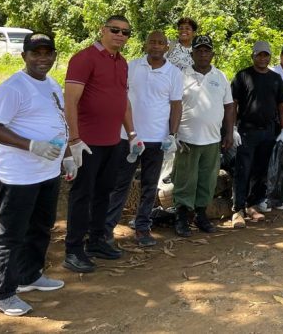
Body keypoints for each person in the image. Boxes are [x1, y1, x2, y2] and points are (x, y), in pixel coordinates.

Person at [0, 33, 73, 316]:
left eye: (48, 53)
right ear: (24, 56)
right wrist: (31, 145)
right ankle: (4, 293)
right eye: (36, 53)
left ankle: (29, 276)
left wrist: (67, 156)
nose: (43, 58)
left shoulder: (51, 84)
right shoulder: (13, 88)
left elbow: (59, 120)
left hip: (46, 172)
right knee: (12, 235)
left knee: (41, 227)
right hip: (19, 175)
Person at [62, 15, 136, 273]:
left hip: (113, 141)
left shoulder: (122, 63)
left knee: (104, 193)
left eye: (126, 32)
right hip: (87, 142)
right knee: (82, 196)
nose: (120, 35)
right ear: (102, 30)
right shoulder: (84, 58)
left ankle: (96, 241)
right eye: (115, 30)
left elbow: (122, 100)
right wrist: (74, 139)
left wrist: (132, 133)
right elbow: (69, 101)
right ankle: (73, 250)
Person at [104, 31, 182, 247]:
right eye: (152, 42)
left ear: (167, 47)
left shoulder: (174, 73)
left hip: (157, 140)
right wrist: (125, 131)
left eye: (160, 43)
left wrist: (172, 135)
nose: (156, 46)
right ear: (146, 45)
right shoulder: (132, 67)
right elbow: (119, 97)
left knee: (149, 186)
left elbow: (176, 104)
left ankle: (142, 228)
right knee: (120, 184)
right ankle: (106, 229)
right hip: (128, 138)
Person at [173, 35, 235, 237]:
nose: (203, 53)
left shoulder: (220, 77)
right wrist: (172, 134)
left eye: (206, 50)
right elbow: (173, 105)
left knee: (207, 181)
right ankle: (182, 217)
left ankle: (201, 215)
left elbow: (229, 107)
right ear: (192, 54)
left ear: (212, 54)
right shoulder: (181, 76)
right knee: (185, 180)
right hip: (187, 138)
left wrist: (229, 132)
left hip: (213, 139)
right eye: (199, 50)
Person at [232, 41, 283, 226]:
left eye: (266, 55)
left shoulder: (275, 78)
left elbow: (282, 105)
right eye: (259, 55)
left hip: (268, 132)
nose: (263, 59)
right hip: (247, 132)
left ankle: (253, 205)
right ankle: (238, 209)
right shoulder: (243, 76)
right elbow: (233, 104)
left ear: (269, 57)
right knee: (243, 169)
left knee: (260, 170)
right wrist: (232, 129)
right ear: (253, 56)